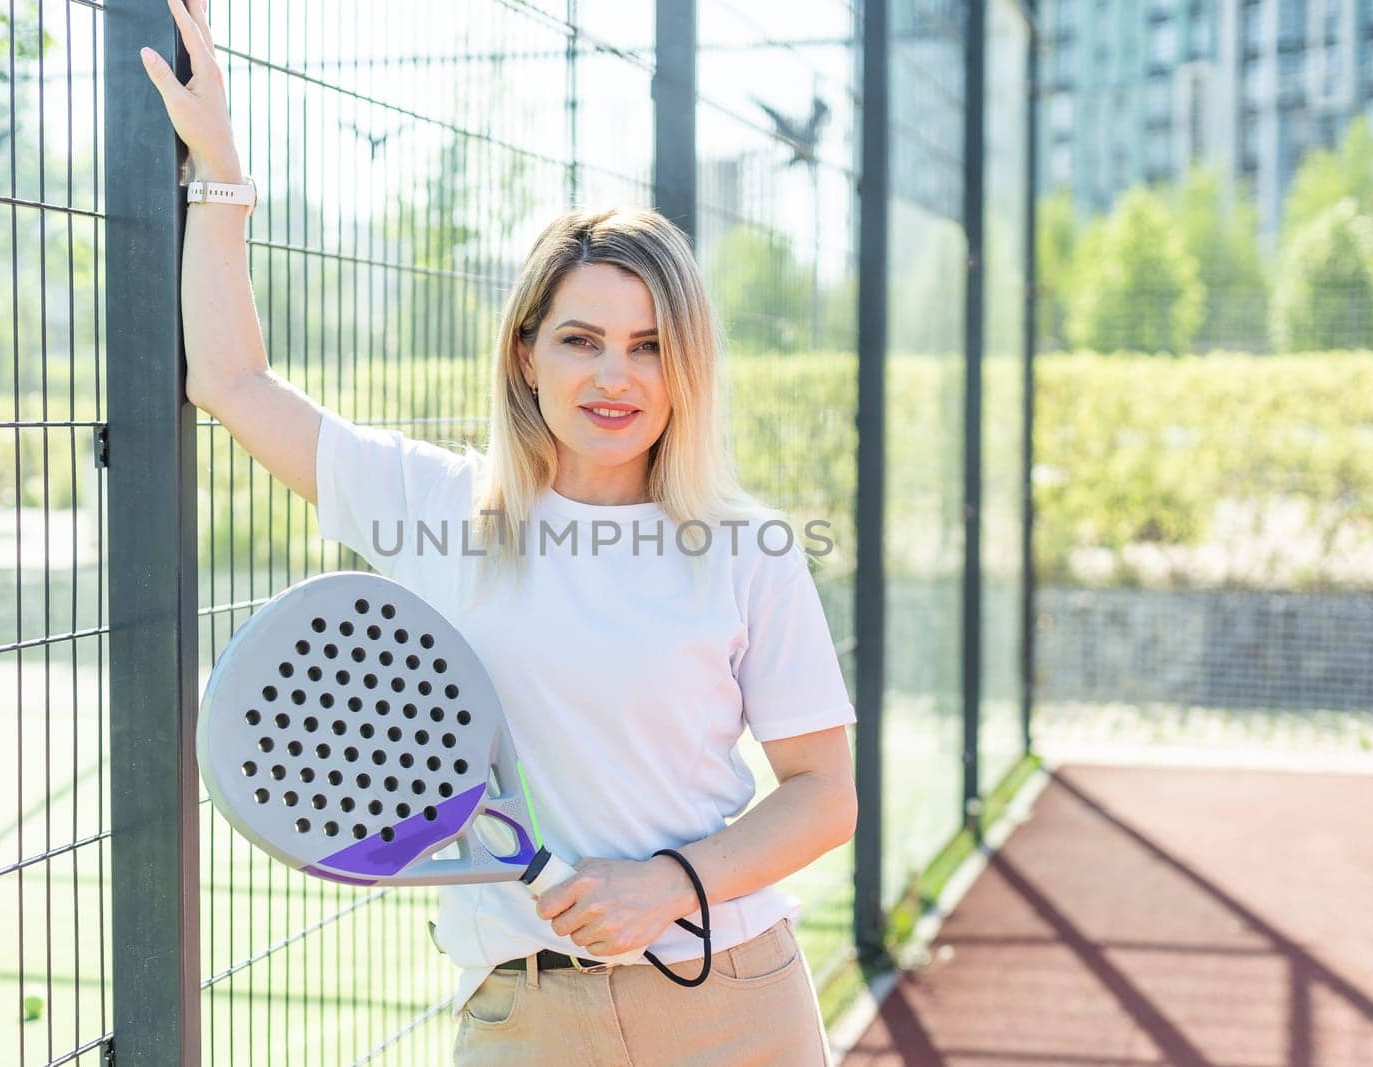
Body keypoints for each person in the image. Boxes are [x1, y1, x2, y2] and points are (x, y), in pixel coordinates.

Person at [143, 1, 857, 1063]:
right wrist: (223, 170)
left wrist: (668, 882)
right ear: (525, 354)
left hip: (734, 1000)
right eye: (580, 340)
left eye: (649, 345)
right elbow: (233, 381)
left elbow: (822, 794)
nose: (615, 374)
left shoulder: (747, 548)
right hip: (522, 1014)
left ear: (685, 368)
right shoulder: (434, 506)